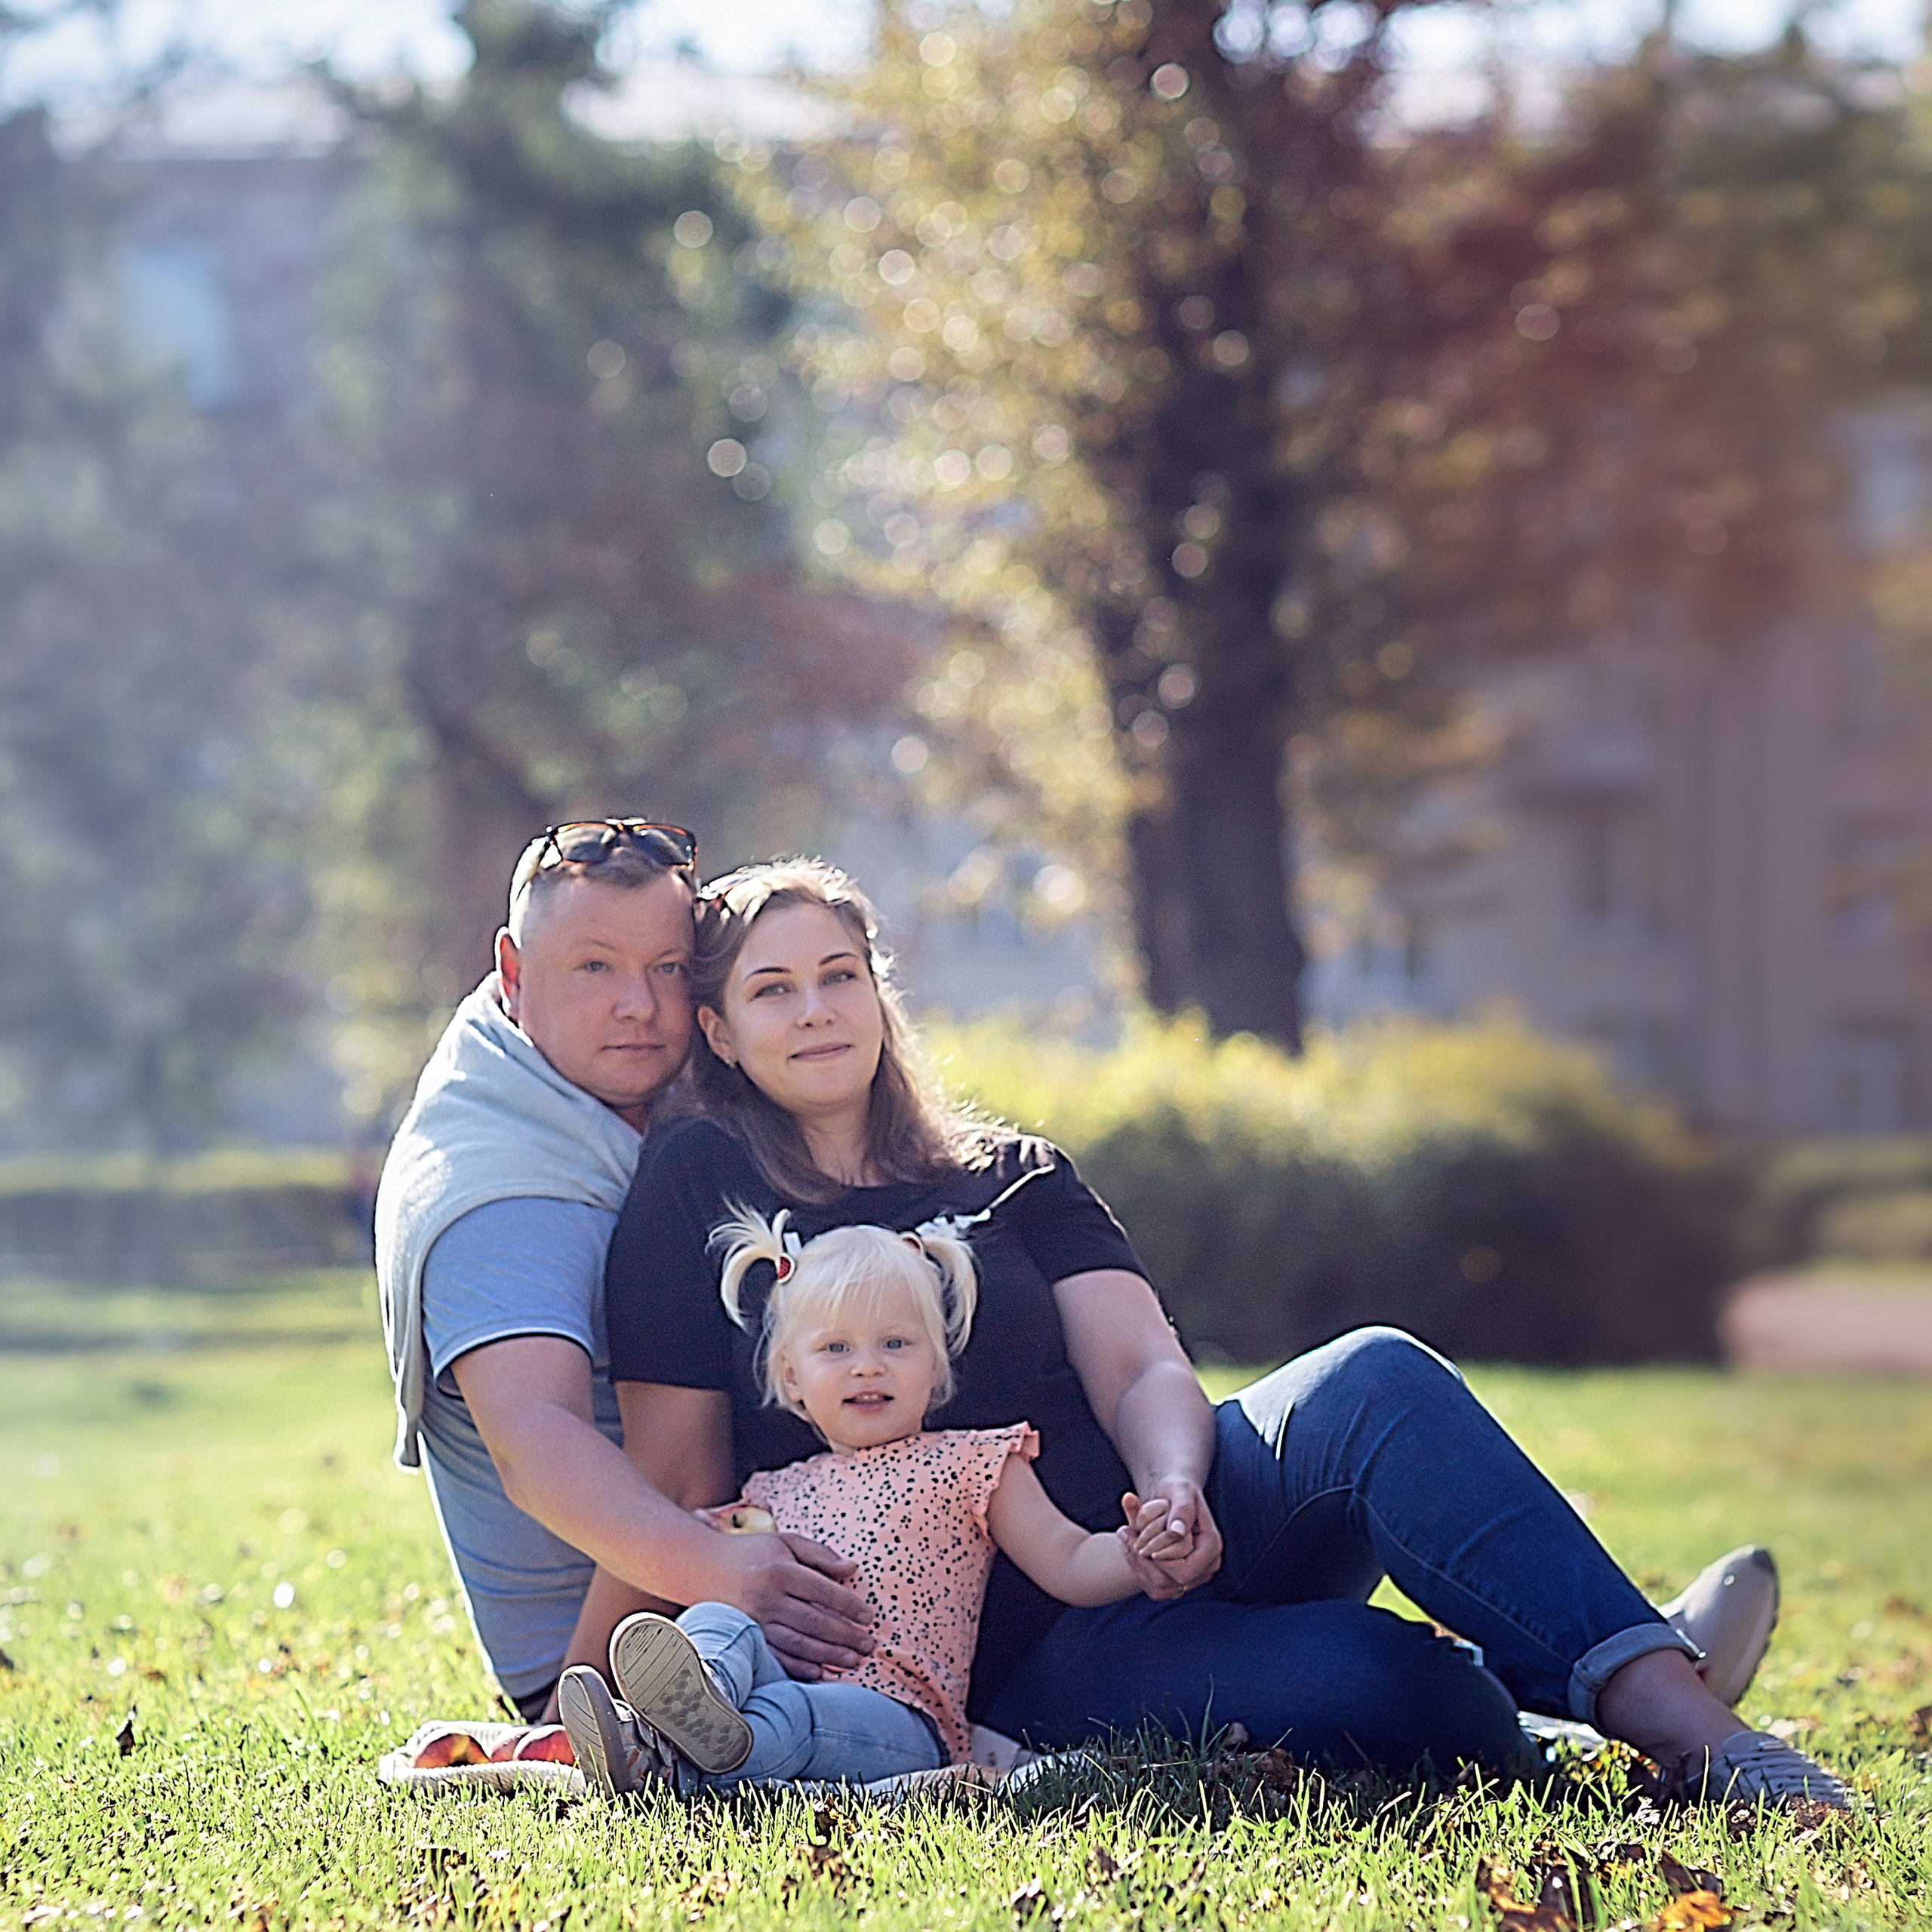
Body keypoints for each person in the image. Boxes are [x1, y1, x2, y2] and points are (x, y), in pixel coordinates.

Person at [598, 856, 1846, 1808]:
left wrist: (1177, 1488)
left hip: (1175, 1518)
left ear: (880, 993)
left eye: (839, 977)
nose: (815, 1011)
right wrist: (596, 1669)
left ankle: (1699, 1730)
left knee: (1375, 1377)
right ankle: (1580, 1685)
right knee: (1379, 1684)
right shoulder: (701, 1185)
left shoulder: (1007, 1172)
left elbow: (1137, 1359)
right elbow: (677, 1475)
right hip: (1036, 1642)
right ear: (718, 1028)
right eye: (772, 989)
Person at [374, 821, 876, 1722]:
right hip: (619, 1652)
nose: (639, 1006)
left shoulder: (629, 1112)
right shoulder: (501, 1189)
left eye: (669, 968)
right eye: (594, 967)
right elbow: (535, 1444)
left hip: (760, 1562)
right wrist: (718, 1569)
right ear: (515, 975)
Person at [560, 1204, 1192, 1792]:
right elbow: (697, 1562)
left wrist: (1135, 1557)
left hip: (900, 1719)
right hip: (777, 1685)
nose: (868, 1366)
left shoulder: (972, 1463)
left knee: (790, 1712)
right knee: (714, 1622)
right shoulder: (770, 1492)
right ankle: (684, 1715)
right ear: (792, 1379)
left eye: (895, 1343)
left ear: (937, 1366)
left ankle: (666, 1760)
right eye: (836, 1348)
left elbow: (1070, 1559)